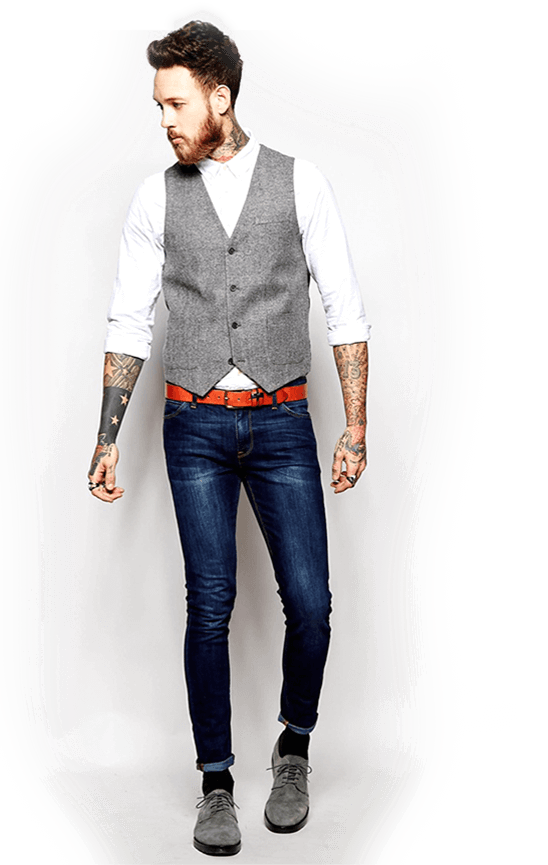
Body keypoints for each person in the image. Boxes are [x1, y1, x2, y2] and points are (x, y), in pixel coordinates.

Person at [88, 21, 370, 857]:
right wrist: (106, 436)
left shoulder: (300, 181)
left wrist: (355, 427)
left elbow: (345, 308)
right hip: (194, 423)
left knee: (310, 604)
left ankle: (294, 747)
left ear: (220, 96)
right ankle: (215, 782)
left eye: (175, 103)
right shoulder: (155, 197)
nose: (164, 120)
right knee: (208, 605)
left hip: (283, 420)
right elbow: (127, 319)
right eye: (158, 105)